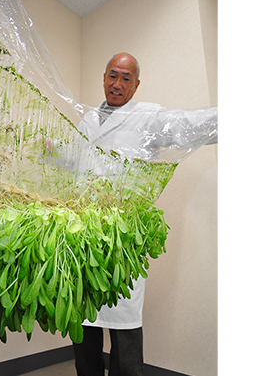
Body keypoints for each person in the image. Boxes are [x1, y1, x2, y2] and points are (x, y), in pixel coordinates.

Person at [71, 52, 217, 376]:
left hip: (122, 242)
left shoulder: (147, 117)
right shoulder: (87, 121)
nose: (117, 83)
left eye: (126, 78)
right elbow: (73, 162)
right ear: (104, 77)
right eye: (113, 75)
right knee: (84, 334)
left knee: (125, 337)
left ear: (136, 86)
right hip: (83, 239)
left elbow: (189, 125)